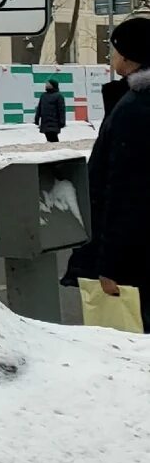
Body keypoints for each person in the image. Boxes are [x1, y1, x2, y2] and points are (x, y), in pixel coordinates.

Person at [81, 16, 150, 317]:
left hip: (137, 258)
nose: (112, 57)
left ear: (127, 56)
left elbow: (124, 191)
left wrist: (110, 265)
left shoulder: (135, 109)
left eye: (114, 50)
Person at [34, 79, 67, 143]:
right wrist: (36, 119)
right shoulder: (43, 95)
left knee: (53, 138)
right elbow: (39, 108)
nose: (46, 85)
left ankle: (56, 150)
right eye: (46, 84)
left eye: (48, 84)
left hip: (55, 121)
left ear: (53, 85)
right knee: (48, 137)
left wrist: (62, 121)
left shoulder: (59, 96)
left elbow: (61, 110)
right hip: (45, 121)